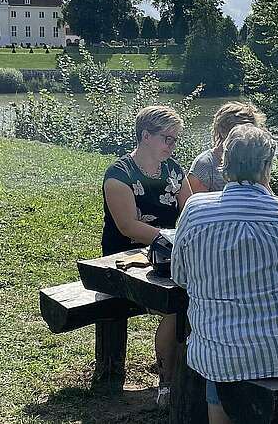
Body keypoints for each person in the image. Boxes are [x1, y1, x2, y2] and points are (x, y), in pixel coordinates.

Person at [172, 124, 278, 424]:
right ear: (267, 166)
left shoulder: (195, 211)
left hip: (226, 360)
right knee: (227, 352)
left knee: (221, 351)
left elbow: (180, 277)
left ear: (225, 164)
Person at [101, 105, 192, 407]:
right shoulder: (119, 174)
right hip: (123, 259)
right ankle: (169, 381)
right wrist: (171, 238)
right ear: (145, 136)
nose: (172, 146)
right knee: (180, 299)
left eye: (175, 139)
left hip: (165, 256)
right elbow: (128, 226)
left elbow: (191, 211)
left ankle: (180, 375)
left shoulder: (174, 171)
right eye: (167, 138)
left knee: (193, 294)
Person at [188, 101, 266, 193]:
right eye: (239, 130)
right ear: (222, 130)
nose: (245, 134)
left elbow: (267, 195)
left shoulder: (254, 160)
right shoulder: (204, 164)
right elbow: (198, 204)